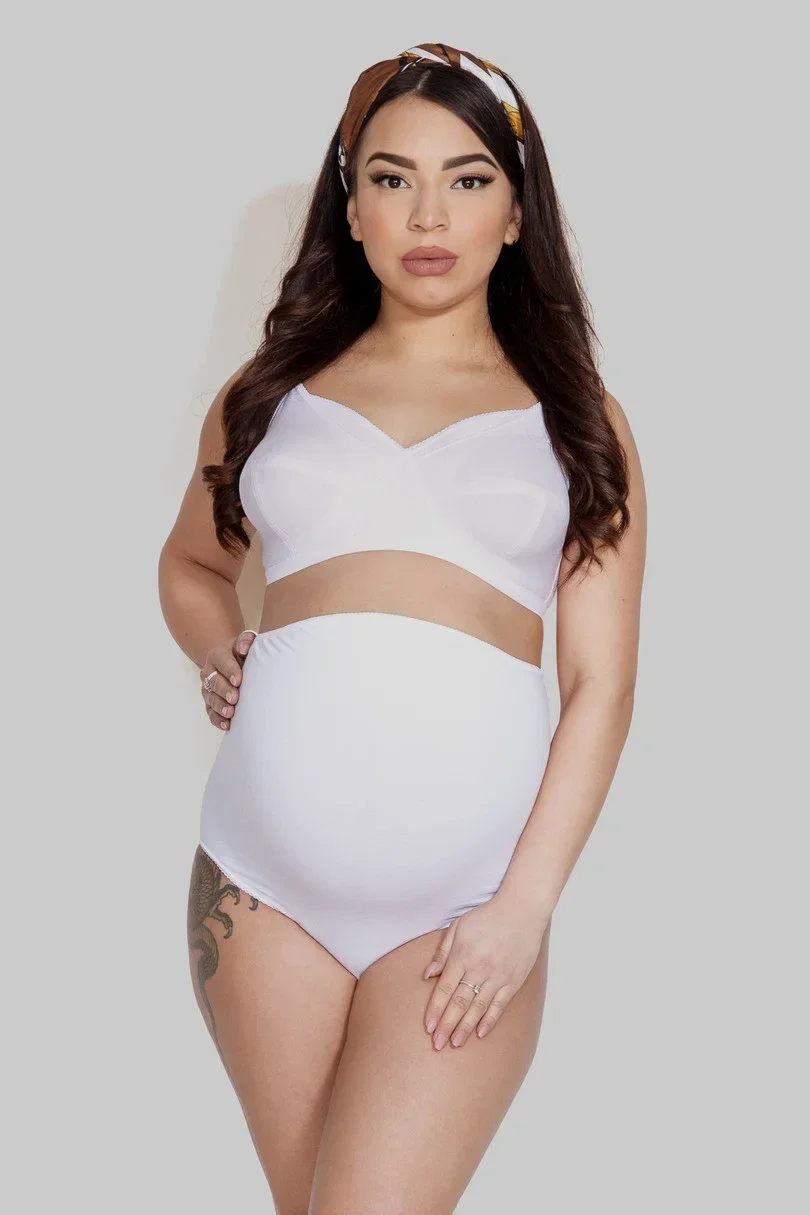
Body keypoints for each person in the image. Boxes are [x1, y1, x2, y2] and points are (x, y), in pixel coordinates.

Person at [159, 41, 646, 1214]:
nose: (430, 215)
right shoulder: (268, 395)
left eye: (468, 179)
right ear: (352, 206)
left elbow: (602, 687)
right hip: (260, 890)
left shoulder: (578, 421)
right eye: (392, 178)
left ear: (517, 213)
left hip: (464, 908)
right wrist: (217, 641)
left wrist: (523, 910)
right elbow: (190, 565)